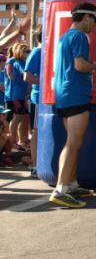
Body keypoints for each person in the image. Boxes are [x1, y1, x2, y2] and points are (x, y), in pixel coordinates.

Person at [49, 2, 96, 208]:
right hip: (76, 95)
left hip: (64, 95)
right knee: (73, 143)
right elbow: (80, 65)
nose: (95, 25)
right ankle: (61, 189)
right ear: (86, 18)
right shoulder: (80, 36)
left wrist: (93, 67)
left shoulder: (65, 36)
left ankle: (72, 185)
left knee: (74, 142)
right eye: (94, 21)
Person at [23, 31, 42, 178]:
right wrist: (46, 82)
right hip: (38, 99)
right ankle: (35, 166)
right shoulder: (37, 51)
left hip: (48, 98)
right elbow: (27, 76)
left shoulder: (49, 51)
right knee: (36, 131)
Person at [6, 43, 29, 151]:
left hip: (23, 96)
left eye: (28, 51)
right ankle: (12, 142)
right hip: (17, 95)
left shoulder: (22, 62)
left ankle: (22, 141)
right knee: (17, 118)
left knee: (24, 118)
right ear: (19, 52)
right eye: (26, 51)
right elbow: (25, 74)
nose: (28, 53)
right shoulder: (17, 62)